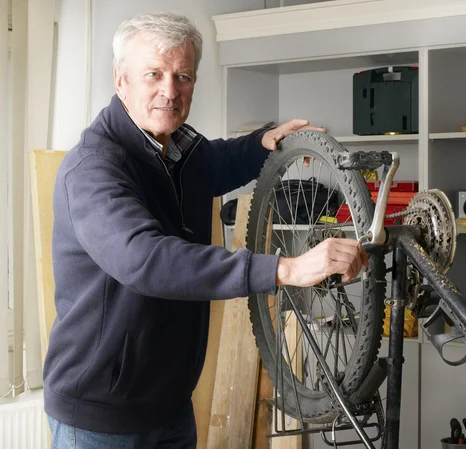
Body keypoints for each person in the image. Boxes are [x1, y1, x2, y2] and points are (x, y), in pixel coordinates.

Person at [44, 11, 367, 449]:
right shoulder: (93, 169)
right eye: (153, 74)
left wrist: (261, 144)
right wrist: (283, 270)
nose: (169, 92)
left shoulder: (176, 148)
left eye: (183, 77)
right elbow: (146, 259)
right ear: (120, 79)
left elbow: (214, 164)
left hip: (172, 404)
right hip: (101, 416)